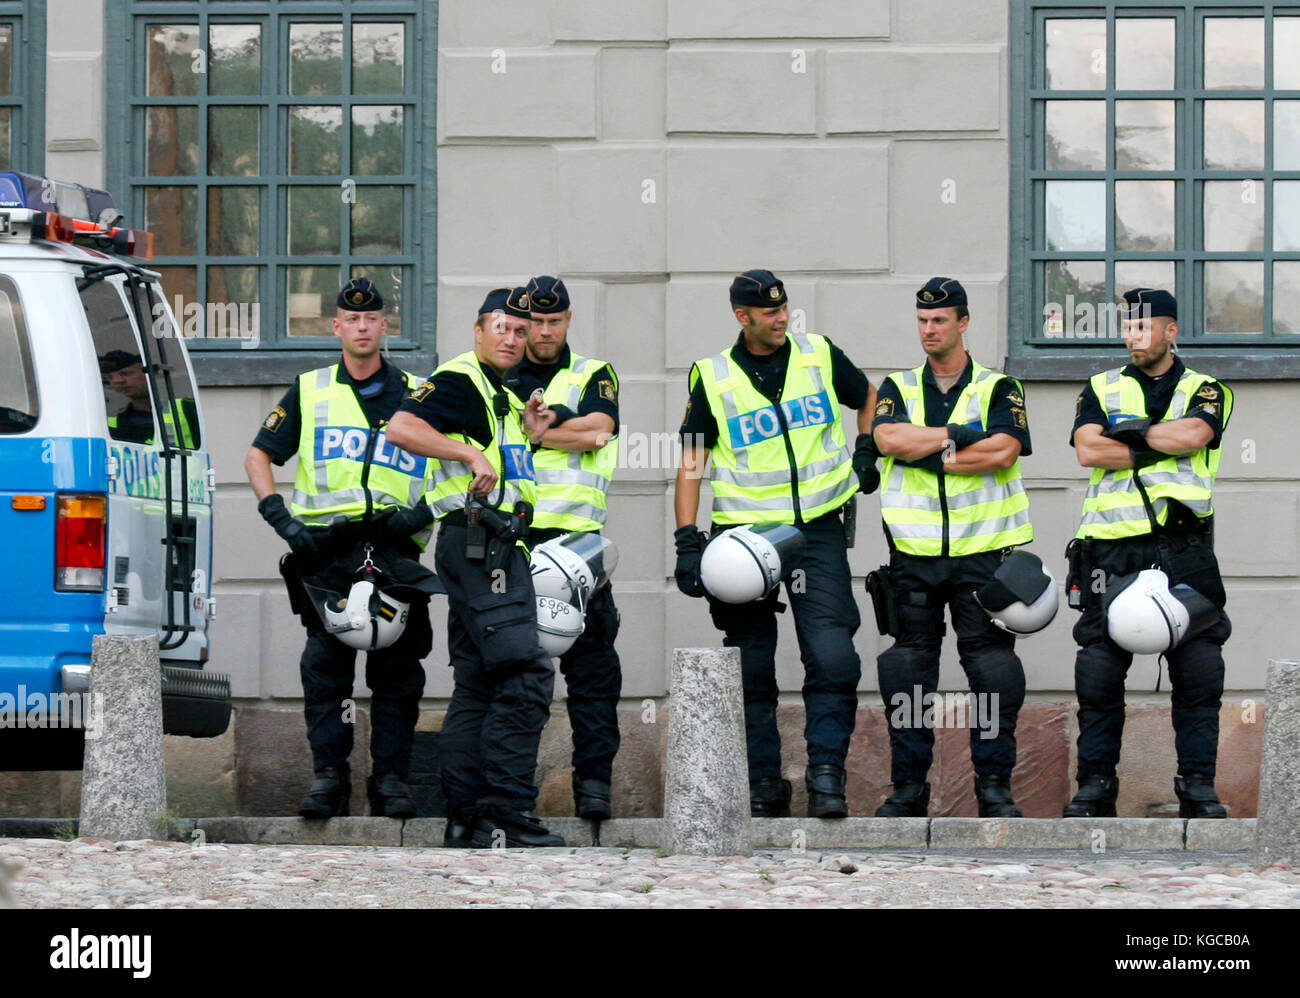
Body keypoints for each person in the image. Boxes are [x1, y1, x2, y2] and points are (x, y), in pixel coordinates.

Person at [673, 269, 877, 818]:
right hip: (743, 540)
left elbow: (871, 398)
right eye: (769, 312)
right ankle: (763, 781)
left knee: (833, 657)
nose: (782, 317)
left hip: (817, 529)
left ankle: (827, 775)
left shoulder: (818, 354)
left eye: (784, 307)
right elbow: (692, 461)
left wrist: (866, 448)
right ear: (743, 317)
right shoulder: (713, 376)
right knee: (750, 664)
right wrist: (687, 540)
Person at [244, 277, 437, 820]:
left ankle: (391, 782)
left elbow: (453, 463)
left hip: (395, 551)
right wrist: (279, 517)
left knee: (398, 674)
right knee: (326, 671)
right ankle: (329, 778)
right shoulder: (309, 389)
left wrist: (423, 515)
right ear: (336, 327)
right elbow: (259, 457)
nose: (361, 327)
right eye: (350, 319)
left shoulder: (419, 394)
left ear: (384, 327)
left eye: (371, 318)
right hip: (327, 553)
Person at [386, 286, 565, 847]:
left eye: (520, 330)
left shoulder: (501, 393)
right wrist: (467, 454)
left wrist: (532, 430)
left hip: (485, 547)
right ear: (478, 330)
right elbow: (401, 427)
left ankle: (466, 818)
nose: (513, 339)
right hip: (480, 544)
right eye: (502, 329)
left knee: (478, 686)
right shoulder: (461, 379)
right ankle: (510, 814)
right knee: (526, 673)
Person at [1064, 288, 1233, 818]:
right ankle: (1094, 787)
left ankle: (1198, 786)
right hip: (1111, 554)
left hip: (1184, 550)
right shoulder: (1100, 386)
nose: (1133, 336)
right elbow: (1089, 448)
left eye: (1143, 326)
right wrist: (1154, 440)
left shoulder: (1208, 390)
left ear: (1170, 331)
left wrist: (1129, 438)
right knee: (1097, 674)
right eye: (1127, 327)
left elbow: (1197, 433)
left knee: (1200, 671)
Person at [870, 277, 1034, 818]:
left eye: (939, 320)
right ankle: (908, 789)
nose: (928, 329)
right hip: (914, 554)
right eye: (921, 320)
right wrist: (958, 435)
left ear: (963, 322)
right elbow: (887, 439)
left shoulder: (1000, 387)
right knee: (907, 671)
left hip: (984, 552)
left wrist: (928, 447)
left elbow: (1004, 451)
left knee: (991, 671)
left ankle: (993, 788)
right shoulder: (897, 386)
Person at [510, 275, 622, 820]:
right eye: (536, 321)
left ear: (569, 320)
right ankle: (513, 796)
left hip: (580, 547)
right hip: (515, 545)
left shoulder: (592, 375)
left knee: (594, 673)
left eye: (555, 321)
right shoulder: (500, 374)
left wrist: (530, 433)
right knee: (517, 675)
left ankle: (595, 787)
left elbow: (599, 433)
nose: (545, 331)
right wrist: (560, 432)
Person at [100, 350, 155, 444]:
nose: (116, 381)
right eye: (109, 378)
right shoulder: (107, 419)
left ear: (148, 373)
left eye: (126, 373)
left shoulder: (184, 408)